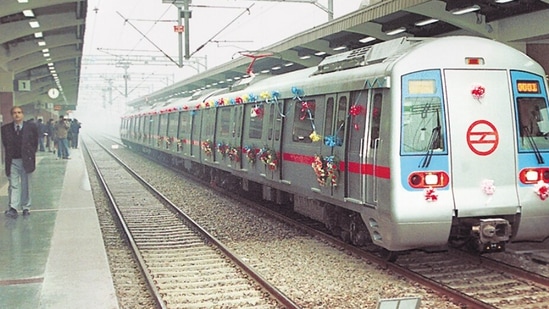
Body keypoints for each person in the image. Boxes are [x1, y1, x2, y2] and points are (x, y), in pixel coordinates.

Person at [1, 106, 39, 217]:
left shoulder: (31, 127)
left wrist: (31, 154)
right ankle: (13, 208)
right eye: (14, 113)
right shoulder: (5, 129)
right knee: (13, 185)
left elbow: (35, 142)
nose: (16, 115)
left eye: (19, 112)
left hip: (26, 160)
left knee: (26, 185)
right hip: (12, 160)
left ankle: (26, 207)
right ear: (11, 115)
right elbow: (5, 144)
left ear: (23, 114)